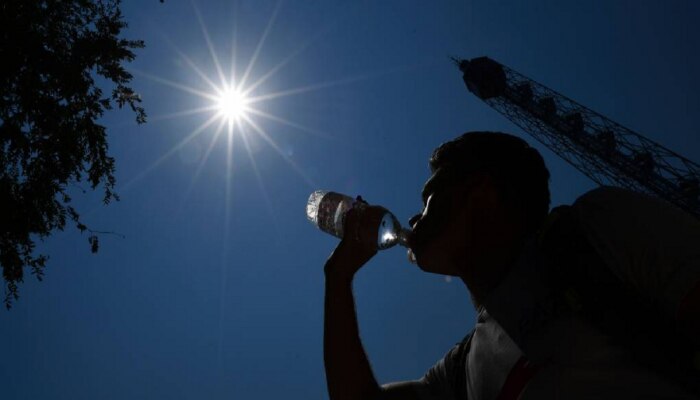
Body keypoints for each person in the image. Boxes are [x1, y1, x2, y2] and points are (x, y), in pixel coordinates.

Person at [322, 131, 700, 400]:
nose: (414, 218)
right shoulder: (461, 370)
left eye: (428, 200)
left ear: (482, 193)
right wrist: (338, 278)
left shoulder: (597, 229)